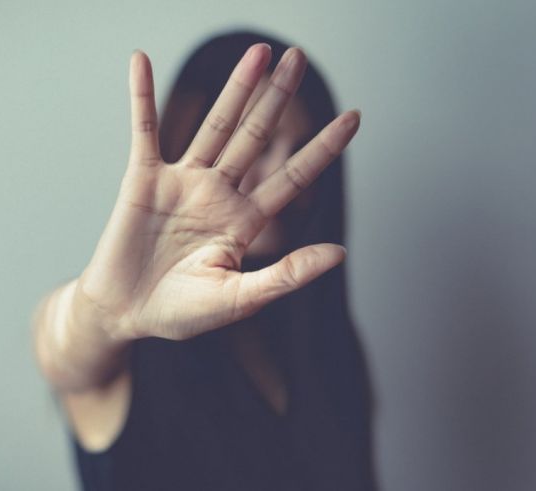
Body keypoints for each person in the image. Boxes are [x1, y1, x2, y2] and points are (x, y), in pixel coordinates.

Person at [32, 29, 378, 490]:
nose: (278, 171)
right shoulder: (131, 344)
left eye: (296, 151)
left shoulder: (319, 341)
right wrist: (102, 315)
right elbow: (63, 351)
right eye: (260, 142)